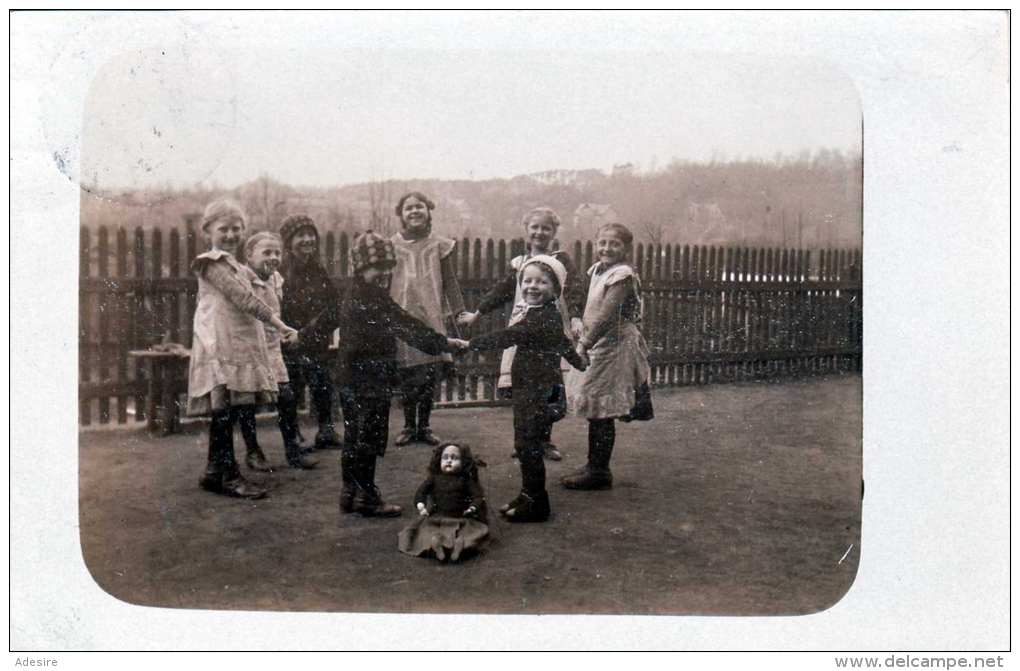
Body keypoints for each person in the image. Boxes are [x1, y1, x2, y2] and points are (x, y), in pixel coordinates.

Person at [315, 231, 466, 517]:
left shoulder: (353, 291)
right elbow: (406, 325)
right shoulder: (373, 299)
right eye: (378, 268)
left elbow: (326, 319)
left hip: (349, 378)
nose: (385, 274)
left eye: (388, 267)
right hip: (369, 379)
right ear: (361, 267)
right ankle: (367, 497)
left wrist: (301, 336)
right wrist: (443, 343)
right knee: (368, 439)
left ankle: (349, 493)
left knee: (354, 436)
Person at [186, 199, 298, 499]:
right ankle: (229, 475)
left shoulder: (236, 265)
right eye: (224, 229)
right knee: (222, 405)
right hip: (218, 342)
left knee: (229, 407)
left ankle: (214, 470)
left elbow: (259, 288)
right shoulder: (211, 263)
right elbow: (244, 299)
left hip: (235, 342)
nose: (231, 235)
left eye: (237, 229)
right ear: (208, 230)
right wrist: (279, 324)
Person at [465, 256, 587, 523]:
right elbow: (565, 345)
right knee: (526, 444)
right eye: (527, 281)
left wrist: (468, 344)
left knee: (526, 444)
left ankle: (536, 503)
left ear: (555, 290)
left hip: (537, 393)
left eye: (541, 282)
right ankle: (528, 494)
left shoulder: (541, 317)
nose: (532, 286)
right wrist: (579, 362)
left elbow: (508, 336)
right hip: (535, 389)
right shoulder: (542, 313)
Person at [457, 207, 584, 461]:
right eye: (535, 227)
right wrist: (477, 315)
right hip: (523, 327)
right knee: (524, 387)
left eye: (545, 228)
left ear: (554, 232)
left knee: (548, 386)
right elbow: (500, 292)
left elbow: (574, 289)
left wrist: (576, 317)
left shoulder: (561, 260)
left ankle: (544, 440)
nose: (540, 232)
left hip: (549, 326)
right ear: (527, 230)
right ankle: (524, 440)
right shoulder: (519, 264)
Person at [562, 223, 652, 491]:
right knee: (595, 408)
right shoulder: (597, 270)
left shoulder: (622, 275)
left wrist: (585, 344)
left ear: (626, 248)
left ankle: (599, 470)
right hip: (597, 345)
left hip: (613, 346)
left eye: (614, 244)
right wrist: (577, 319)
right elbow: (584, 302)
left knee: (602, 409)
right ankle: (594, 464)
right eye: (602, 243)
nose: (607, 248)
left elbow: (607, 314)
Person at [388, 192, 470, 447]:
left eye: (419, 207)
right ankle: (408, 426)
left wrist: (459, 311)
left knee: (428, 374)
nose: (414, 211)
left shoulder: (440, 245)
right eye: (408, 208)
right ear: (401, 214)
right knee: (407, 373)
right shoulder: (391, 245)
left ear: (428, 211)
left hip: (431, 316)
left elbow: (450, 282)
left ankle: (424, 426)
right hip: (402, 315)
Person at [240, 232, 319, 470]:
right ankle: (253, 452)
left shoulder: (276, 279)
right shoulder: (242, 279)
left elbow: (279, 310)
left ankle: (293, 450)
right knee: (247, 402)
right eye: (266, 252)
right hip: (249, 348)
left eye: (277, 253)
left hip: (273, 348)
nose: (273, 257)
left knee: (286, 397)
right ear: (249, 255)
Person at [278, 214, 342, 451]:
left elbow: (334, 307)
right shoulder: (281, 272)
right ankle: (293, 435)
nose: (307, 240)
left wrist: (311, 331)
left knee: (322, 383)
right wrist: (291, 335)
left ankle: (325, 430)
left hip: (315, 340)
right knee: (291, 388)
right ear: (288, 242)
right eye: (300, 235)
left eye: (310, 234)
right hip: (289, 343)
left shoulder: (319, 270)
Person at [398, 443, 489, 562]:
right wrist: (421, 505)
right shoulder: (434, 478)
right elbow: (421, 492)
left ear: (464, 462)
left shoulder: (466, 480)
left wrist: (472, 508)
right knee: (427, 533)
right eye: (445, 457)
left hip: (461, 518)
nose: (449, 461)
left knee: (474, 534)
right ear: (438, 461)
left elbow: (478, 496)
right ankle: (438, 545)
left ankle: (459, 546)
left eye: (454, 458)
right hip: (437, 518)